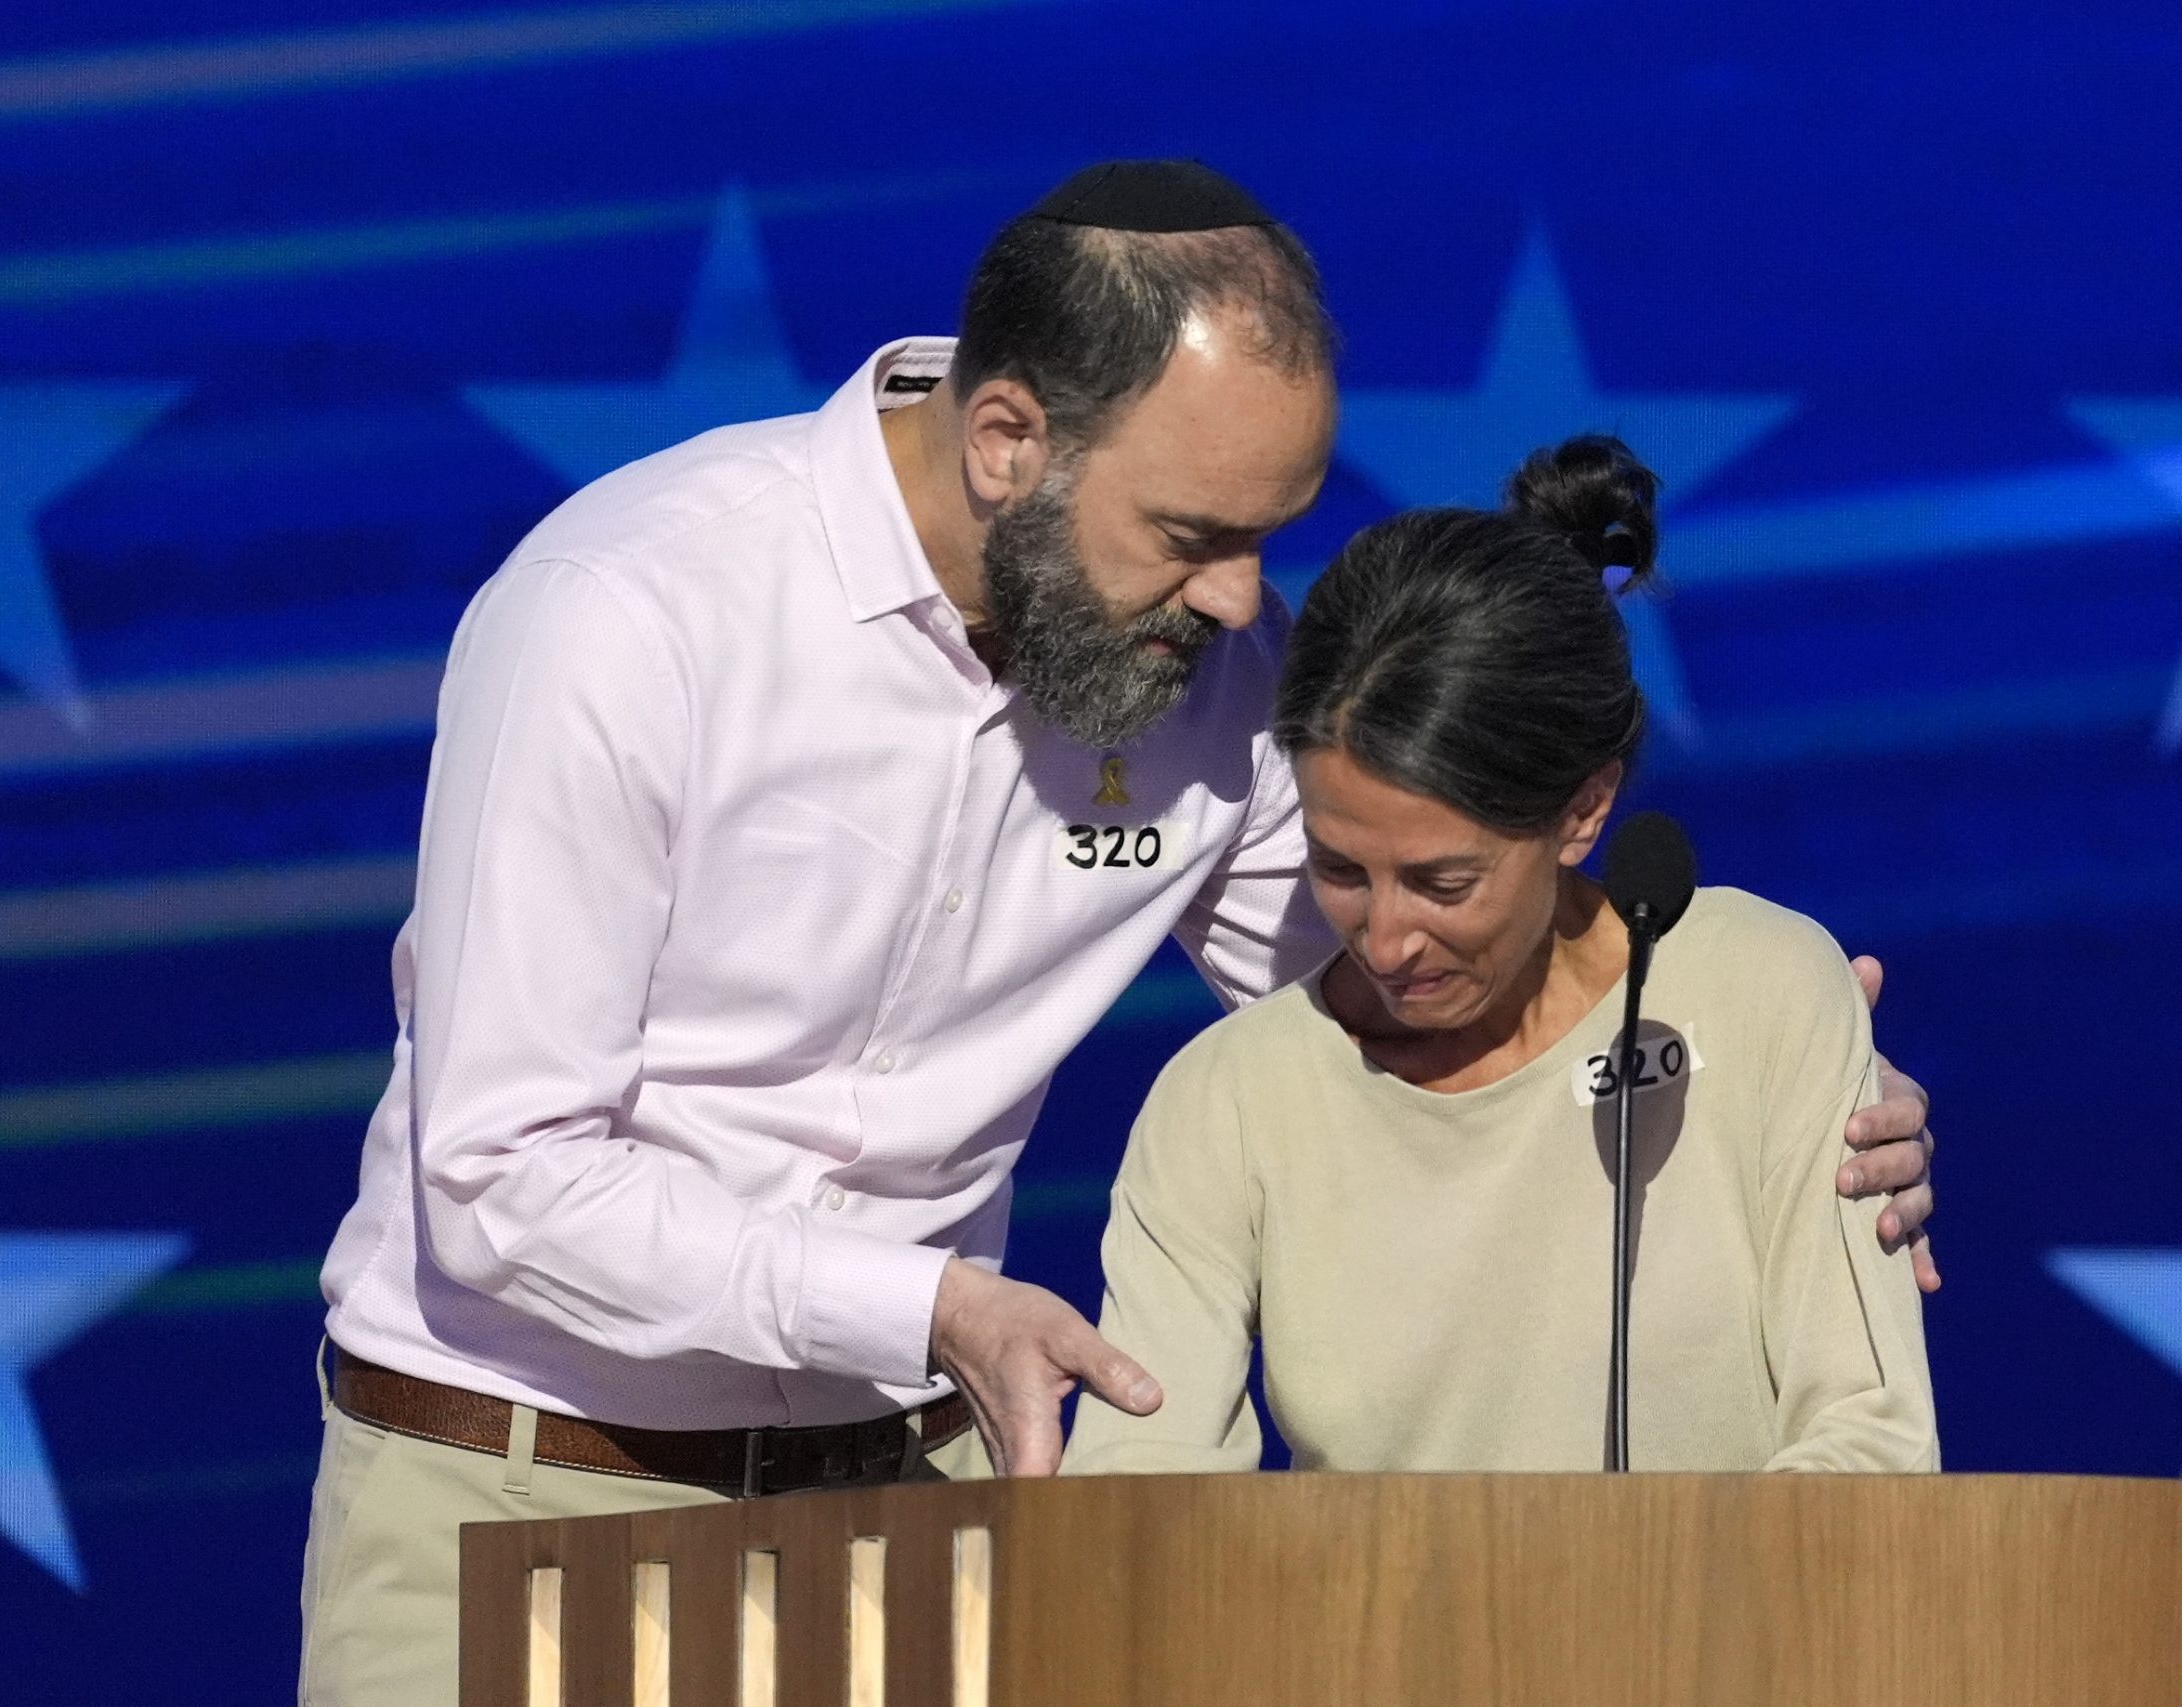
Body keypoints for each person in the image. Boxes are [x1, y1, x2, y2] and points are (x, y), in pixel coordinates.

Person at [298, 163, 1941, 1707]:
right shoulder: (626, 616)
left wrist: (1775, 1080)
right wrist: (920, 1304)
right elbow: (501, 1176)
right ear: (1009, 437)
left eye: (1267, 537)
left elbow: (1424, 987)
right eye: (1194, 537)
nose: (1240, 605)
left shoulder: (1210, 682)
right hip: (520, 1492)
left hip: (915, 1514)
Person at [1062, 437, 1938, 1476]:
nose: (1384, 940)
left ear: (1582, 812)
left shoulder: (1761, 992)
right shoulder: (1227, 1101)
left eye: (1442, 884)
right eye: (1338, 867)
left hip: (1724, 1638)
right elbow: (1137, 1512)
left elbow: (1869, 1447)